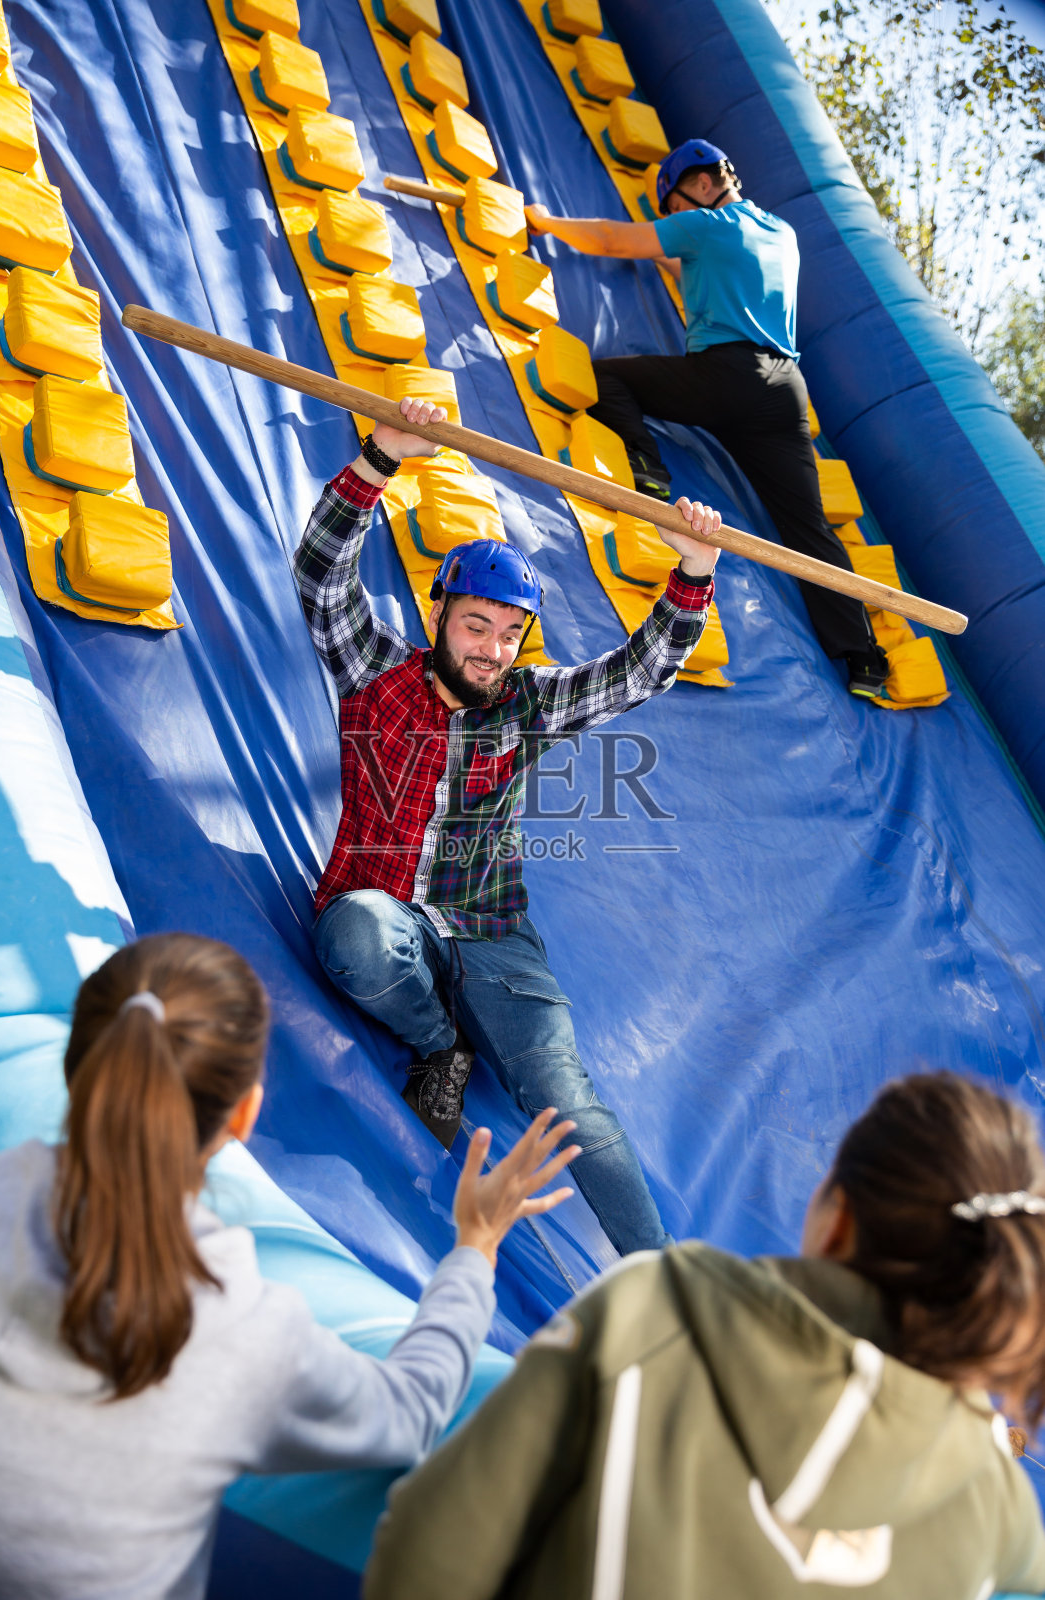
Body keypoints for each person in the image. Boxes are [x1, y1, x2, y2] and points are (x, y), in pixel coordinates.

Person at [0, 933, 579, 1600]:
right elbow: (410, 1411)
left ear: (76, 1069)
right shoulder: (245, 1327)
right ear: (245, 1114)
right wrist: (475, 1246)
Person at [293, 397, 722, 1257]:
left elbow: (638, 673)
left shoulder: (526, 703)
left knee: (568, 1104)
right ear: (438, 618)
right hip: (385, 907)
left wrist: (693, 572)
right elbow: (320, 574)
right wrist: (380, 458)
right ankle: (439, 1045)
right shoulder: (375, 673)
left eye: (508, 633)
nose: (491, 648)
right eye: (476, 625)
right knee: (357, 937)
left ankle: (664, 1276)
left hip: (490, 933)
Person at [364, 1070, 1045, 1599]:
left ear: (837, 1219)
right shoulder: (997, 1506)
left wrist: (474, 1249)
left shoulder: (652, 1314)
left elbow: (425, 1560)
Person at [526, 139, 890, 698]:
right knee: (807, 528)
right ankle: (863, 658)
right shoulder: (780, 233)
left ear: (701, 183)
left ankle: (647, 465)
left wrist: (547, 222)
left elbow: (611, 239)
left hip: (726, 378)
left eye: (676, 207)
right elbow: (700, 266)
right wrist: (669, 250)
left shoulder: (705, 226)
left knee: (604, 377)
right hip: (784, 391)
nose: (677, 218)